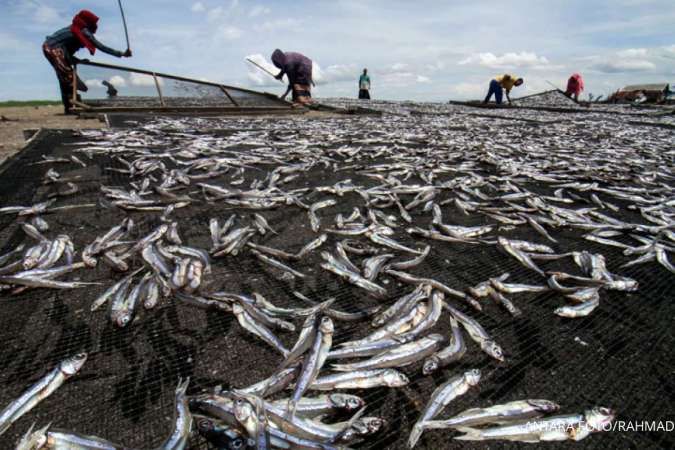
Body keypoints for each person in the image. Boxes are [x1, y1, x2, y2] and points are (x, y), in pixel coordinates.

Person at [43, 10, 131, 114]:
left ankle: (70, 107)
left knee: (65, 78)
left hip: (54, 49)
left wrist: (77, 60)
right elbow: (101, 46)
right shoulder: (83, 31)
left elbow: (65, 49)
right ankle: (72, 106)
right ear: (89, 23)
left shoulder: (76, 29)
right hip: (53, 49)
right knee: (68, 78)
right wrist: (121, 54)